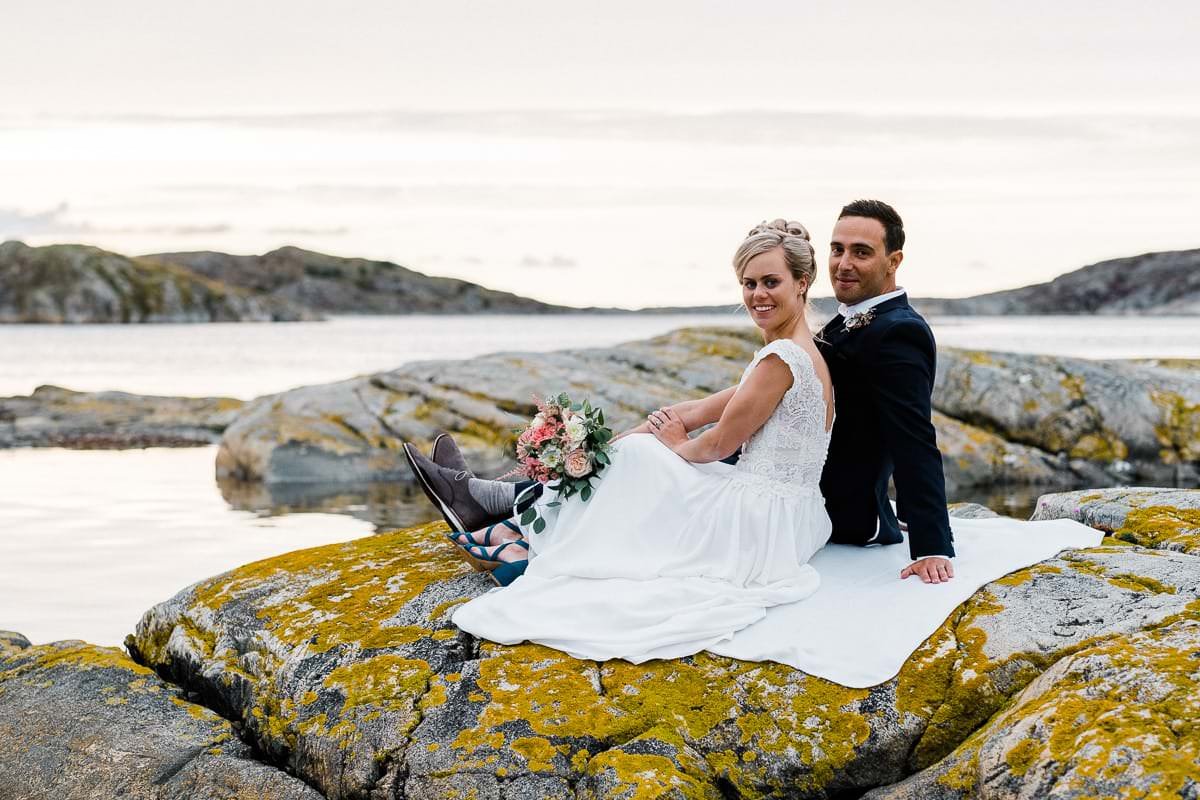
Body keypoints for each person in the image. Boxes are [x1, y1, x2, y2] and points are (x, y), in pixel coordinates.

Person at [405, 219, 837, 662]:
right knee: (635, 452)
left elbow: (716, 446)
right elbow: (699, 410)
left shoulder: (780, 360)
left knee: (644, 456)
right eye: (749, 283)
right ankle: (509, 511)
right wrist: (600, 450)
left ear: (802, 283)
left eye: (770, 282)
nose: (758, 294)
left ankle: (503, 515)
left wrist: (671, 444)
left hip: (760, 525)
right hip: (793, 516)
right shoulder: (800, 352)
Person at [817, 200, 956, 584]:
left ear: (893, 261)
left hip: (844, 512)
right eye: (837, 249)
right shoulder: (846, 320)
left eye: (861, 252)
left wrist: (931, 546)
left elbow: (913, 437)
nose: (843, 264)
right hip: (807, 486)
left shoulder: (899, 332)